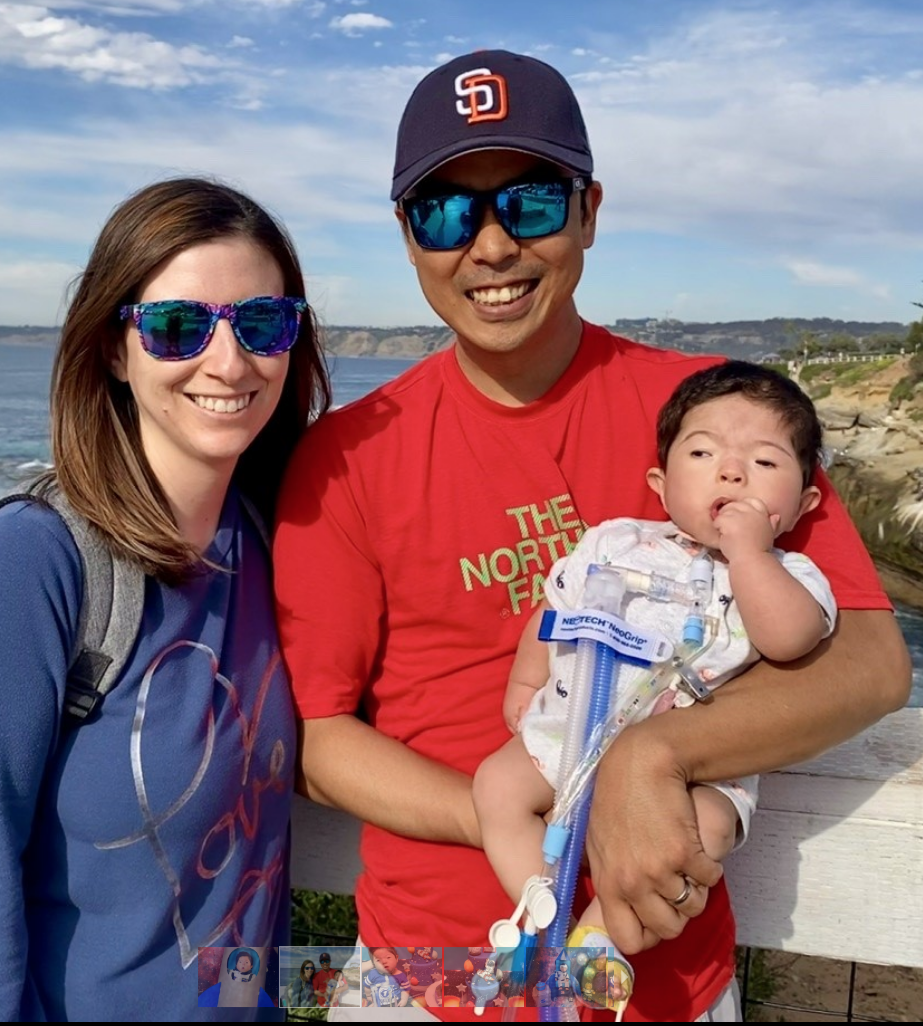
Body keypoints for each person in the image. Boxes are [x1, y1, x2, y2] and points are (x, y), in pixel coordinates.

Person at [272, 48, 911, 1023]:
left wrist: (648, 763)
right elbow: (319, 740)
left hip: (661, 990)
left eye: (528, 202)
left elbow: (869, 661)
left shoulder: (718, 416)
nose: (488, 246)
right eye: (444, 211)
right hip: (424, 981)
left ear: (589, 211)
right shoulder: (346, 457)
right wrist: (543, 809)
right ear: (408, 238)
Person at [0, 177, 331, 1020]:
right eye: (177, 327)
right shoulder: (32, 565)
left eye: (262, 323)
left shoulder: (271, 538)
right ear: (111, 349)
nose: (229, 361)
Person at [474, 362, 836, 1007]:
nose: (731, 472)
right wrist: (528, 674)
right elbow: (555, 606)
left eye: (765, 461)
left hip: (690, 770)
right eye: (703, 452)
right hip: (571, 724)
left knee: (707, 832)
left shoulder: (791, 575)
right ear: (661, 484)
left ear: (805, 500)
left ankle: (599, 933)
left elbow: (789, 638)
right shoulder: (616, 542)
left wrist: (749, 553)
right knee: (496, 787)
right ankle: (540, 908)